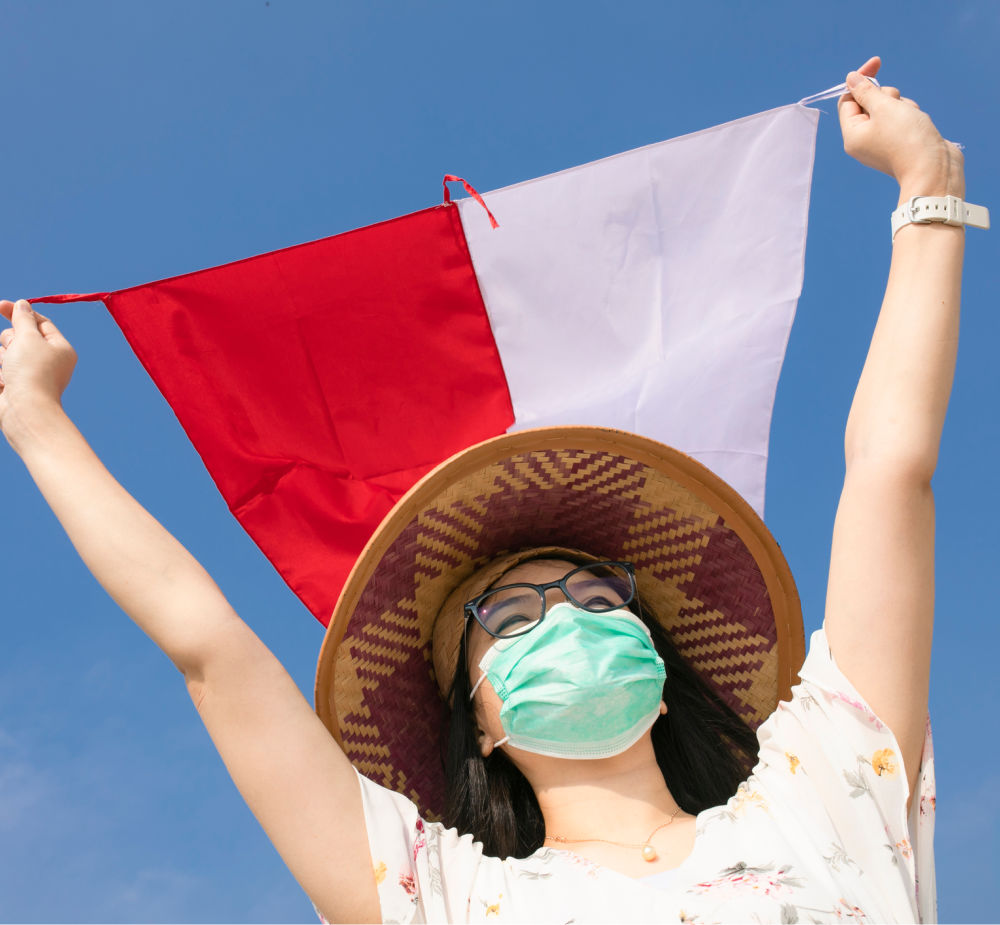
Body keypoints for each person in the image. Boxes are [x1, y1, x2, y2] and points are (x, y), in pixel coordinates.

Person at [0, 55, 974, 922]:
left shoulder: (830, 789)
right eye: (511, 615)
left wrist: (927, 192)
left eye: (597, 596)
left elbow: (890, 471)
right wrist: (37, 423)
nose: (568, 617)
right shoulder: (440, 896)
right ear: (479, 717)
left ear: (666, 677)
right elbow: (206, 643)